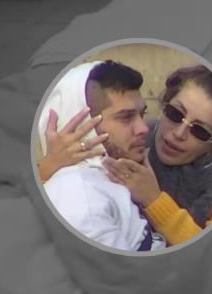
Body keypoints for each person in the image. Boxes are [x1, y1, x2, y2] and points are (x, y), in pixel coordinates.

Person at [102, 65, 212, 246]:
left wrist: (153, 199)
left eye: (199, 131)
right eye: (175, 114)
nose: (178, 133)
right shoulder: (132, 137)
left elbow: (211, 252)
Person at [38, 60, 166, 252]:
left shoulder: (117, 178)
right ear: (81, 124)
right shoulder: (79, 196)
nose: (143, 128)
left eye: (142, 114)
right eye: (126, 117)